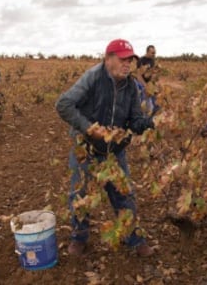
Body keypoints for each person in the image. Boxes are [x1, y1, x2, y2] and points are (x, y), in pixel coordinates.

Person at [56, 39, 155, 257]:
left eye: (130, 60)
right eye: (122, 59)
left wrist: (147, 122)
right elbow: (63, 104)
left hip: (114, 151)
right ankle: (79, 237)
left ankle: (135, 239)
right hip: (86, 149)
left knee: (124, 194)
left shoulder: (131, 86)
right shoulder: (93, 77)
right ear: (108, 58)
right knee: (80, 195)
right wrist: (88, 127)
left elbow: (134, 118)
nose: (127, 64)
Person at [135, 45, 159, 115]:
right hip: (141, 83)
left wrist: (153, 84)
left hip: (149, 83)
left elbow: (152, 73)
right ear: (147, 52)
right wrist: (145, 86)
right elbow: (139, 76)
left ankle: (154, 115)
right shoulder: (141, 60)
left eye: (155, 53)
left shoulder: (152, 61)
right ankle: (144, 117)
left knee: (155, 99)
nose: (154, 54)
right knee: (145, 101)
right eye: (152, 53)